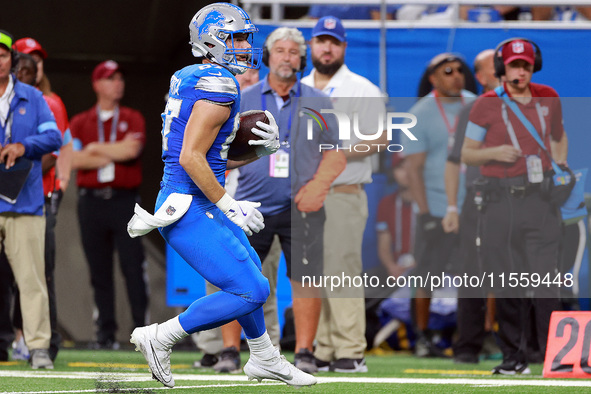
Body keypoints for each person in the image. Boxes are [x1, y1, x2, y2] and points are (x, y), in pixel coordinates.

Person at [126, 4, 319, 387]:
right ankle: (160, 336)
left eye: (247, 37)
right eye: (237, 37)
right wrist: (231, 205)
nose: (246, 46)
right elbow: (191, 157)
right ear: (212, 40)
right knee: (250, 289)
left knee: (252, 276)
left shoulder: (191, 76)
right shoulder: (220, 84)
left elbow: (209, 157)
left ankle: (264, 357)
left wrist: (255, 152)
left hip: (187, 199)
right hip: (189, 207)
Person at [211, 26, 346, 375]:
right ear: (268, 56)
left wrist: (319, 186)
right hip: (249, 205)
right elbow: (220, 152)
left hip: (302, 205)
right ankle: (229, 350)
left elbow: (335, 153)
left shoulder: (319, 100)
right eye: (280, 50)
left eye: (293, 52)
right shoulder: (245, 95)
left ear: (301, 59)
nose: (287, 57)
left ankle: (304, 352)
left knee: (306, 278)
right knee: (235, 277)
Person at [462, 38, 567, 374]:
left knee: (546, 279)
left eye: (525, 64)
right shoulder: (485, 104)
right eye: (513, 65)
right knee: (506, 280)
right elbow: (466, 153)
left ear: (534, 65)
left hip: (540, 199)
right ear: (500, 69)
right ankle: (514, 358)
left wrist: (560, 162)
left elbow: (559, 135)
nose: (520, 71)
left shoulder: (549, 96)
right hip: (500, 200)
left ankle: (557, 356)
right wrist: (494, 153)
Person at [301, 15, 388, 373]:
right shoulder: (299, 87)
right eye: (321, 40)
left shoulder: (363, 88)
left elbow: (381, 138)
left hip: (342, 190)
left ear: (344, 47)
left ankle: (351, 350)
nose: (327, 47)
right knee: (311, 273)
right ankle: (323, 349)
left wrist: (335, 152)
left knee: (342, 270)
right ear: (312, 45)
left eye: (334, 41)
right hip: (304, 193)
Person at [400, 52, 475, 358]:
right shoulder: (421, 112)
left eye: (460, 70)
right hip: (435, 208)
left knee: (479, 275)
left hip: (474, 205)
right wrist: (426, 212)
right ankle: (422, 335)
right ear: (433, 78)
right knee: (427, 275)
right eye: (448, 71)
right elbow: (413, 169)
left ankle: (477, 335)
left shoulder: (476, 103)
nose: (456, 75)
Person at [70, 59, 148, 350]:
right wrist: (109, 151)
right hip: (91, 203)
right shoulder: (80, 121)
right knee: (98, 270)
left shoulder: (133, 116)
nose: (118, 83)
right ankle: (105, 333)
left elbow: (132, 149)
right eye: (111, 78)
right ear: (97, 85)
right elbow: (74, 160)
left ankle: (143, 331)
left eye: (120, 78)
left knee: (132, 267)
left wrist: (93, 148)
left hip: (125, 201)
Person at [0, 29, 62, 369]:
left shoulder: (32, 97)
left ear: (12, 61)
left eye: (3, 55)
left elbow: (53, 135)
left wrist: (24, 146)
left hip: (23, 201)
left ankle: (38, 347)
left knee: (32, 279)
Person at [12, 38, 73, 362]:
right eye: (25, 60)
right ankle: (15, 336)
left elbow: (58, 146)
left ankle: (41, 343)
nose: (32, 66)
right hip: (9, 196)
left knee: (36, 272)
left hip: (33, 196)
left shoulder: (45, 101)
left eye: (36, 60)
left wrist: (59, 186)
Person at [442, 49, 499, 364]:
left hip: (518, 201)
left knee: (516, 273)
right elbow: (453, 163)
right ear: (480, 76)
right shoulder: (473, 110)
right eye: (496, 66)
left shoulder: (526, 106)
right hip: (478, 202)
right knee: (474, 275)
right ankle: (468, 345)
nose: (504, 69)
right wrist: (452, 206)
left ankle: (521, 342)